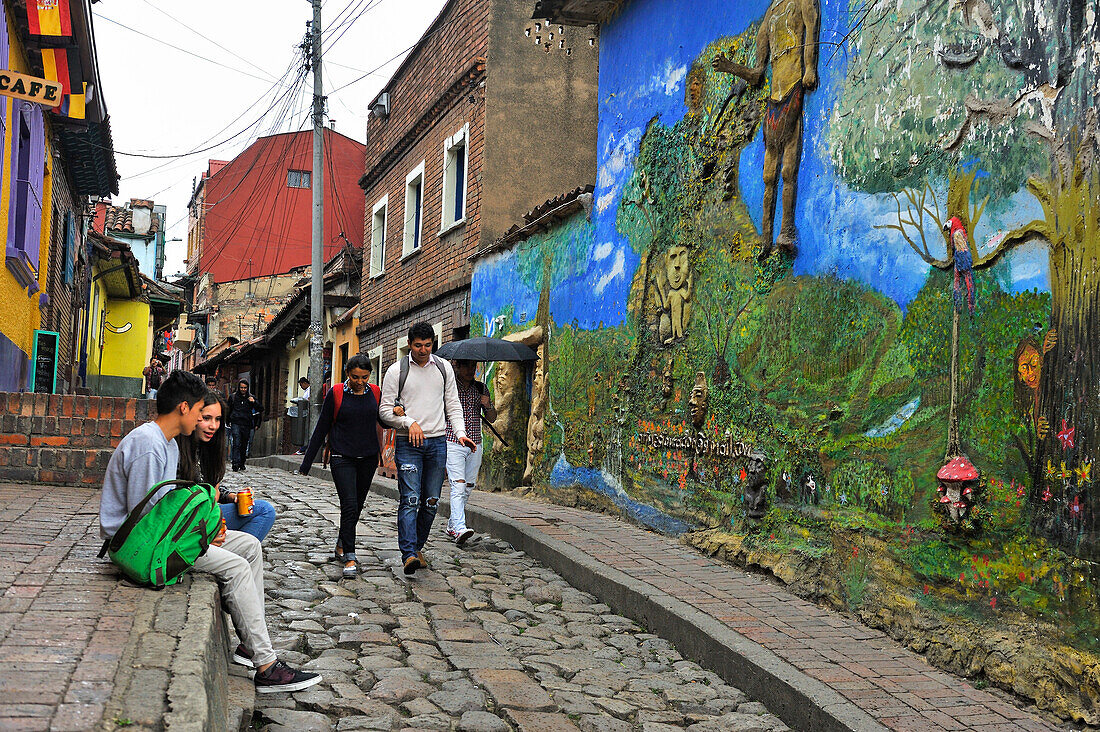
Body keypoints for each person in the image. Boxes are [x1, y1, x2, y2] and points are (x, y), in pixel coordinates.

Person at [99, 370, 320, 693]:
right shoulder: (148, 445)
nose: (206, 420)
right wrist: (198, 536)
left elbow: (168, 510)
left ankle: (249, 645)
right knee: (236, 565)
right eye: (201, 409)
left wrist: (206, 528)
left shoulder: (168, 443)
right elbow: (145, 520)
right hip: (141, 550)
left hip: (163, 537)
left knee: (248, 546)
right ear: (184, 408)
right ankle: (267, 665)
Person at [379, 323, 476, 575]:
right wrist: (408, 422)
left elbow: (453, 405)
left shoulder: (443, 368)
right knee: (410, 499)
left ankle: (418, 547)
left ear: (433, 343)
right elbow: (385, 411)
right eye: (418, 345)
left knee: (431, 501)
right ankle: (408, 553)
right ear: (410, 344)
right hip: (408, 443)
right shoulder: (396, 371)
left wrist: (461, 434)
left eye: (428, 345)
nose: (423, 350)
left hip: (437, 443)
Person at [299, 355, 383, 578]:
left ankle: (341, 542)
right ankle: (350, 556)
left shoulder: (375, 393)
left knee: (357, 506)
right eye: (355, 377)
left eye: (364, 377)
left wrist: (397, 411)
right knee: (349, 504)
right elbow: (321, 427)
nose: (360, 381)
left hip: (368, 458)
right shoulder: (336, 393)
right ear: (347, 374)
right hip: (341, 456)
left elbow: (382, 420)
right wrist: (307, 462)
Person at [178, 391, 277, 541]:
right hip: (189, 519)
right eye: (206, 418)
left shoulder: (209, 448)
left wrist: (231, 496)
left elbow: (211, 484)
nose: (213, 426)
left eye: (217, 419)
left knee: (262, 512)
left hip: (208, 514)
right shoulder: (178, 450)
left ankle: (230, 556)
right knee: (265, 510)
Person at [445, 360, 496, 546]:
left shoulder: (481, 388)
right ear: (457, 366)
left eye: (473, 367)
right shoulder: (449, 387)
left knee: (468, 486)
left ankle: (452, 524)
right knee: (458, 485)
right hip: (452, 441)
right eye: (466, 366)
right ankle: (459, 527)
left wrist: (487, 404)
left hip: (476, 443)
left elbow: (492, 418)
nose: (470, 370)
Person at [227, 380, 261, 472]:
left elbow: (260, 409)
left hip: (246, 423)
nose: (243, 389)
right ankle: (235, 463)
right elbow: (228, 409)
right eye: (241, 387)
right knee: (236, 443)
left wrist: (254, 402)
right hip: (236, 422)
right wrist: (228, 421)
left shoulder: (251, 397)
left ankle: (242, 462)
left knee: (244, 444)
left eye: (245, 388)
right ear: (239, 387)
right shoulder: (233, 397)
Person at [293, 377, 311, 455]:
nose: (301, 387)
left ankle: (303, 449)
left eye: (301, 385)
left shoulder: (310, 390)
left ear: (305, 383)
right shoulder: (307, 391)